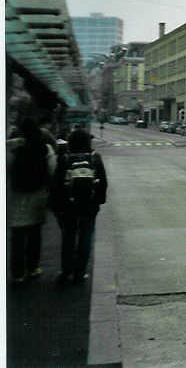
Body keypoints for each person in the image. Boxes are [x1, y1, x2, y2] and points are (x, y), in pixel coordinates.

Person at [51, 127, 108, 284]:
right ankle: (80, 272)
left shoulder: (64, 158)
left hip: (69, 205)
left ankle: (66, 270)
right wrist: (99, 201)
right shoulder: (95, 157)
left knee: (68, 237)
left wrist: (57, 205)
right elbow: (102, 182)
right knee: (85, 236)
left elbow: (56, 184)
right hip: (89, 205)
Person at [7, 116, 56, 283]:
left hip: (16, 196)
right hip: (38, 195)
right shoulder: (44, 148)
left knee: (17, 236)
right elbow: (52, 170)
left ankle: (17, 273)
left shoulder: (10, 147)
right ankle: (33, 268)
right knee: (35, 234)